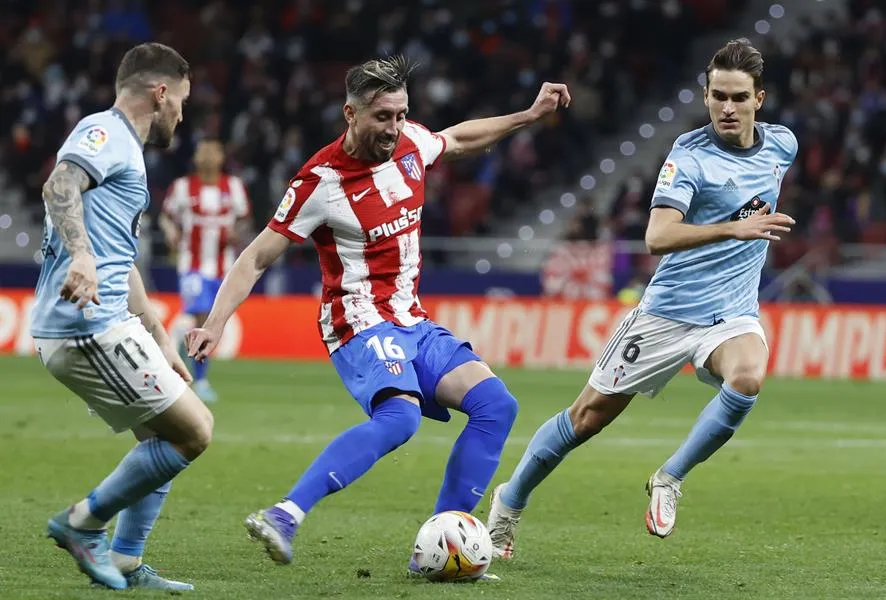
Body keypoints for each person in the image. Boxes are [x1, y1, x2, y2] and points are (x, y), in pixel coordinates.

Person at [186, 55, 570, 577]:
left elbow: (455, 140)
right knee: (401, 417)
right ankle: (285, 514)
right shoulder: (319, 183)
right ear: (351, 113)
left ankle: (443, 545)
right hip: (357, 321)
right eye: (381, 118)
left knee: (496, 405)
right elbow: (255, 257)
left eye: (400, 114)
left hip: (412, 319)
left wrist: (527, 116)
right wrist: (215, 322)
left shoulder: (410, 141)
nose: (393, 128)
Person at [487, 38, 798, 557]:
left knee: (748, 378)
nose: (727, 107)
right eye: (717, 95)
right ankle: (508, 503)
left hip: (732, 312)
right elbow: (657, 236)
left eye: (738, 97)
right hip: (668, 312)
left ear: (758, 100)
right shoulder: (689, 157)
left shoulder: (782, 145)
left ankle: (669, 478)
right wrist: (733, 229)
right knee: (586, 418)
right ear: (705, 96)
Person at [31, 42, 213, 591]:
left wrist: (157, 330)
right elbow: (59, 184)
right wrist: (81, 256)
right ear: (161, 94)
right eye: (181, 100)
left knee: (162, 433)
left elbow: (119, 255)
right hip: (87, 327)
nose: (182, 113)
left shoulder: (127, 152)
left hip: (111, 321)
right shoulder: (105, 133)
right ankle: (83, 523)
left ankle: (129, 560)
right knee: (194, 432)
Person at [159, 139, 252, 403]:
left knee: (207, 319)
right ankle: (199, 380)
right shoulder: (182, 187)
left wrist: (238, 233)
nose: (209, 155)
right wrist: (170, 232)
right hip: (192, 265)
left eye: (215, 151)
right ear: (196, 158)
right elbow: (165, 216)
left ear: (222, 157)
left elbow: (245, 220)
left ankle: (176, 353)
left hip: (223, 267)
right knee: (201, 318)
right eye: (204, 151)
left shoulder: (233, 187)